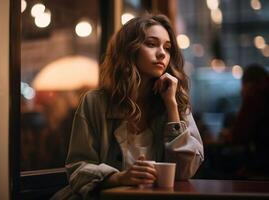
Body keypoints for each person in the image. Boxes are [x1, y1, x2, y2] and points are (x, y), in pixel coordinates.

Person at [52, 14, 204, 199]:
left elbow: (185, 172)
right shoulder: (95, 103)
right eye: (151, 44)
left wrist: (171, 106)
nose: (162, 53)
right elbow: (78, 169)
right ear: (129, 50)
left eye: (167, 47)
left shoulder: (176, 101)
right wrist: (120, 178)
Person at [230, 63, 269, 179]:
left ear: (248, 84)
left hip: (261, 168)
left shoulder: (255, 97)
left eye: (242, 85)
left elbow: (237, 137)